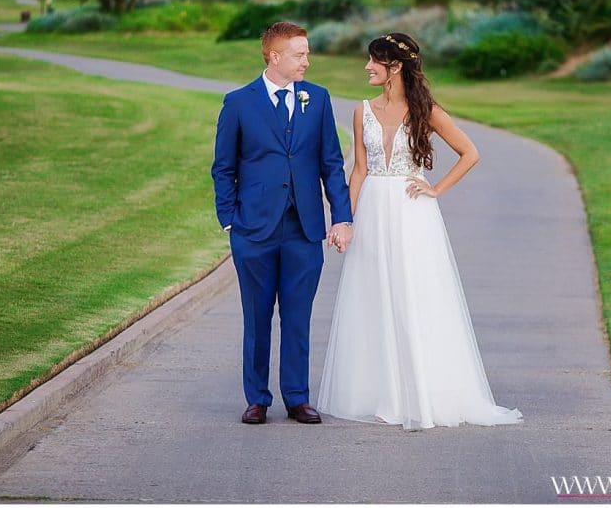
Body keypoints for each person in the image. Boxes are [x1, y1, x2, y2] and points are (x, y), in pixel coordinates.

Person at [317, 32, 523, 430]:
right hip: (374, 208)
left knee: (413, 294)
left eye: (374, 61)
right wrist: (344, 220)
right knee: (375, 294)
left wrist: (436, 189)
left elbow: (470, 153)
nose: (366, 68)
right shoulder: (362, 111)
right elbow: (358, 171)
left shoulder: (425, 109)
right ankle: (382, 392)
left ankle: (419, 392)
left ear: (395, 66)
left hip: (413, 211)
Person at [211, 21, 353, 425]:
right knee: (257, 317)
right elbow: (224, 168)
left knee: (297, 315)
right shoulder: (239, 103)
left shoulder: (318, 99)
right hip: (253, 230)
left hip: (304, 229)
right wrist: (230, 221)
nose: (307, 61)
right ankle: (257, 398)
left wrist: (341, 216)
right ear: (275, 57)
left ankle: (297, 398)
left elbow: (330, 163)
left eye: (306, 53)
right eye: (300, 54)